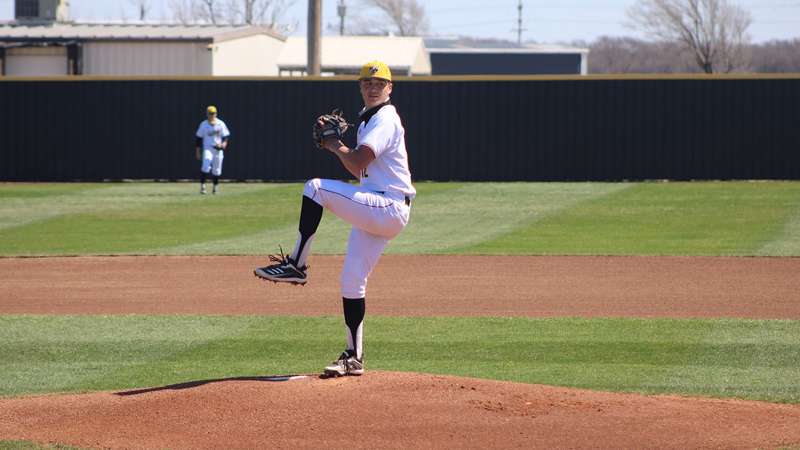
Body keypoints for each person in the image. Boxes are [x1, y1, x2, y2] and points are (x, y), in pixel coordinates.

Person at [254, 61, 415, 377]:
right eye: (367, 82)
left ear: (390, 87)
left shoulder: (385, 118)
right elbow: (358, 168)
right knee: (352, 280)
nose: (372, 87)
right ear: (360, 87)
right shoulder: (368, 119)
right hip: (378, 206)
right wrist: (336, 147)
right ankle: (354, 357)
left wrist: (334, 144)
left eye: (379, 83)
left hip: (388, 205)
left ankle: (296, 265)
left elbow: (358, 160)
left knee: (315, 188)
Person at [195, 105, 230, 195]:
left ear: (216, 114)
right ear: (207, 114)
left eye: (213, 113)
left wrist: (224, 144)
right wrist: (198, 151)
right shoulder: (203, 124)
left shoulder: (220, 124)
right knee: (205, 165)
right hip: (208, 148)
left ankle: (215, 187)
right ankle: (203, 186)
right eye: (210, 113)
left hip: (218, 149)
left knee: (217, 170)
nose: (212, 115)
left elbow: (226, 136)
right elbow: (198, 138)